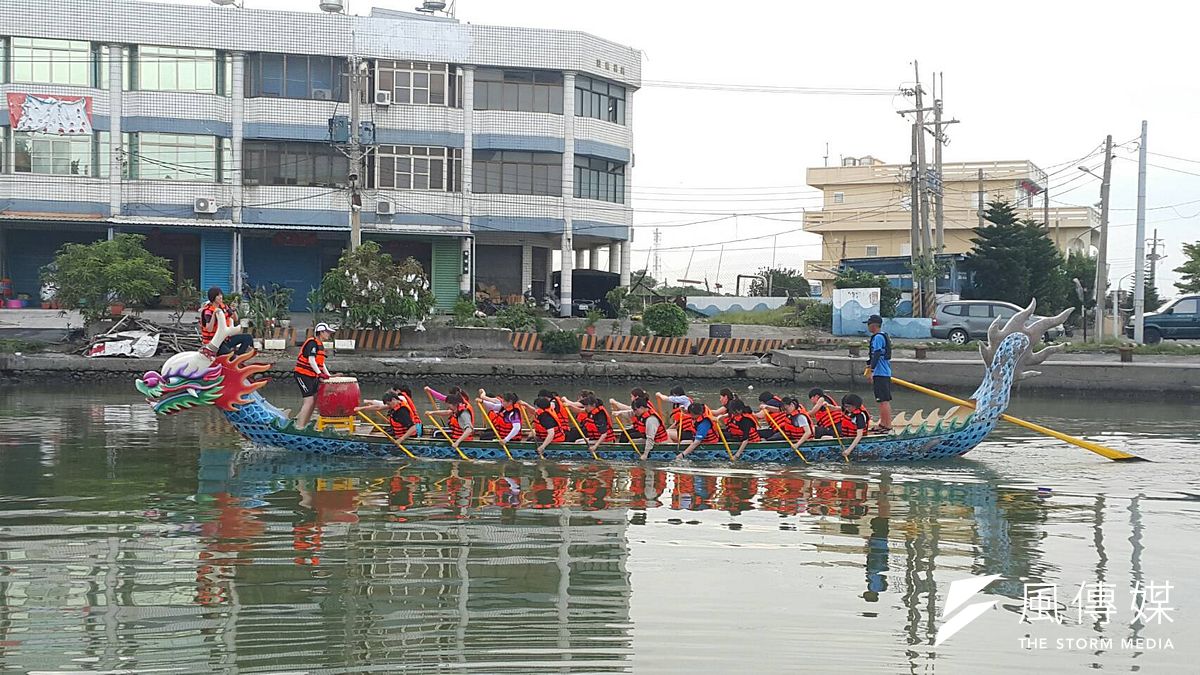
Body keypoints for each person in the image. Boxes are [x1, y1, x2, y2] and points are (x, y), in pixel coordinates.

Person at [293, 322, 335, 429]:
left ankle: (305, 423)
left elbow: (321, 363)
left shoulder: (320, 345)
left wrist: (328, 375)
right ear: (321, 332)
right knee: (309, 400)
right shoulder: (312, 343)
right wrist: (319, 373)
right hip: (302, 374)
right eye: (327, 332)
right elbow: (311, 360)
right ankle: (299, 426)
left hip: (312, 376)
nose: (329, 334)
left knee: (314, 399)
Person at [199, 287, 254, 356]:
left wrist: (233, 310)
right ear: (213, 297)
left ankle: (238, 355)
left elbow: (235, 319)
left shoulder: (223, 306)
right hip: (214, 342)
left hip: (225, 339)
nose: (221, 297)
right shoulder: (208, 311)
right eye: (218, 295)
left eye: (221, 295)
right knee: (230, 356)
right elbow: (209, 329)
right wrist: (214, 314)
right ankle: (232, 356)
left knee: (248, 338)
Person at [864, 314, 894, 432]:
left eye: (868, 324)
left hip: (881, 373)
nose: (868, 327)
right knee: (881, 400)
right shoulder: (881, 336)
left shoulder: (877, 337)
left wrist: (871, 370)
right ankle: (883, 423)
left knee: (883, 400)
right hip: (882, 372)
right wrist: (869, 364)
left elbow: (876, 354)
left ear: (873, 325)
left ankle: (887, 425)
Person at [839, 393, 872, 460]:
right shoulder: (848, 410)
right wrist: (828, 406)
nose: (846, 408)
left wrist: (848, 450)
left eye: (848, 406)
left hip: (854, 439)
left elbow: (859, 435)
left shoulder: (859, 417)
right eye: (845, 406)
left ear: (855, 406)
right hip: (845, 436)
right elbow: (838, 408)